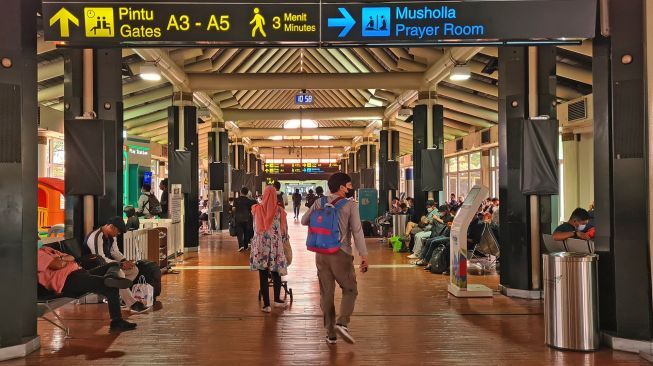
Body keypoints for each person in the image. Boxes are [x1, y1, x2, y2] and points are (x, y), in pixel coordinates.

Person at [301, 172, 368, 345]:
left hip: (321, 254)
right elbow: (357, 230)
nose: (351, 188)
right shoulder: (350, 205)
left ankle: (330, 333)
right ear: (342, 187)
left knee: (327, 293)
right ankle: (342, 323)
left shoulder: (319, 202)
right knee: (350, 289)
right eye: (349, 185)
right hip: (341, 252)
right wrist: (363, 254)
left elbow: (303, 220)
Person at [37, 246, 137, 332]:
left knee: (113, 265)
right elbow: (58, 265)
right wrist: (63, 259)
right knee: (110, 287)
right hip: (67, 281)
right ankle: (117, 322)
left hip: (80, 273)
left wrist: (62, 259)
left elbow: (72, 257)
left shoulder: (47, 249)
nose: (39, 239)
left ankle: (110, 278)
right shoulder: (38, 254)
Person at [85, 216, 150, 313]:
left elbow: (114, 252)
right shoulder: (96, 236)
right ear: (111, 227)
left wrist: (125, 261)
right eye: (118, 231)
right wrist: (121, 264)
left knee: (134, 270)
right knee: (119, 275)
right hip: (94, 267)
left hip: (107, 265)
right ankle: (132, 304)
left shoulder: (111, 236)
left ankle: (118, 296)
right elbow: (99, 259)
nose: (118, 234)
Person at [250, 185, 289, 313]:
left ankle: (266, 305)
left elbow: (254, 227)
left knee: (262, 274)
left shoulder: (256, 209)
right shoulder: (280, 211)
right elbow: (284, 231)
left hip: (260, 245)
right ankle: (277, 300)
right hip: (276, 245)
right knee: (276, 272)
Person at [233, 187, 257, 251]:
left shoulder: (236, 200)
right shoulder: (249, 201)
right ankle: (246, 246)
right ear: (247, 193)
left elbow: (233, 209)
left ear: (240, 192)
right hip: (247, 218)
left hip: (238, 218)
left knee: (239, 232)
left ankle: (241, 246)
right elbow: (253, 207)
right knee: (246, 232)